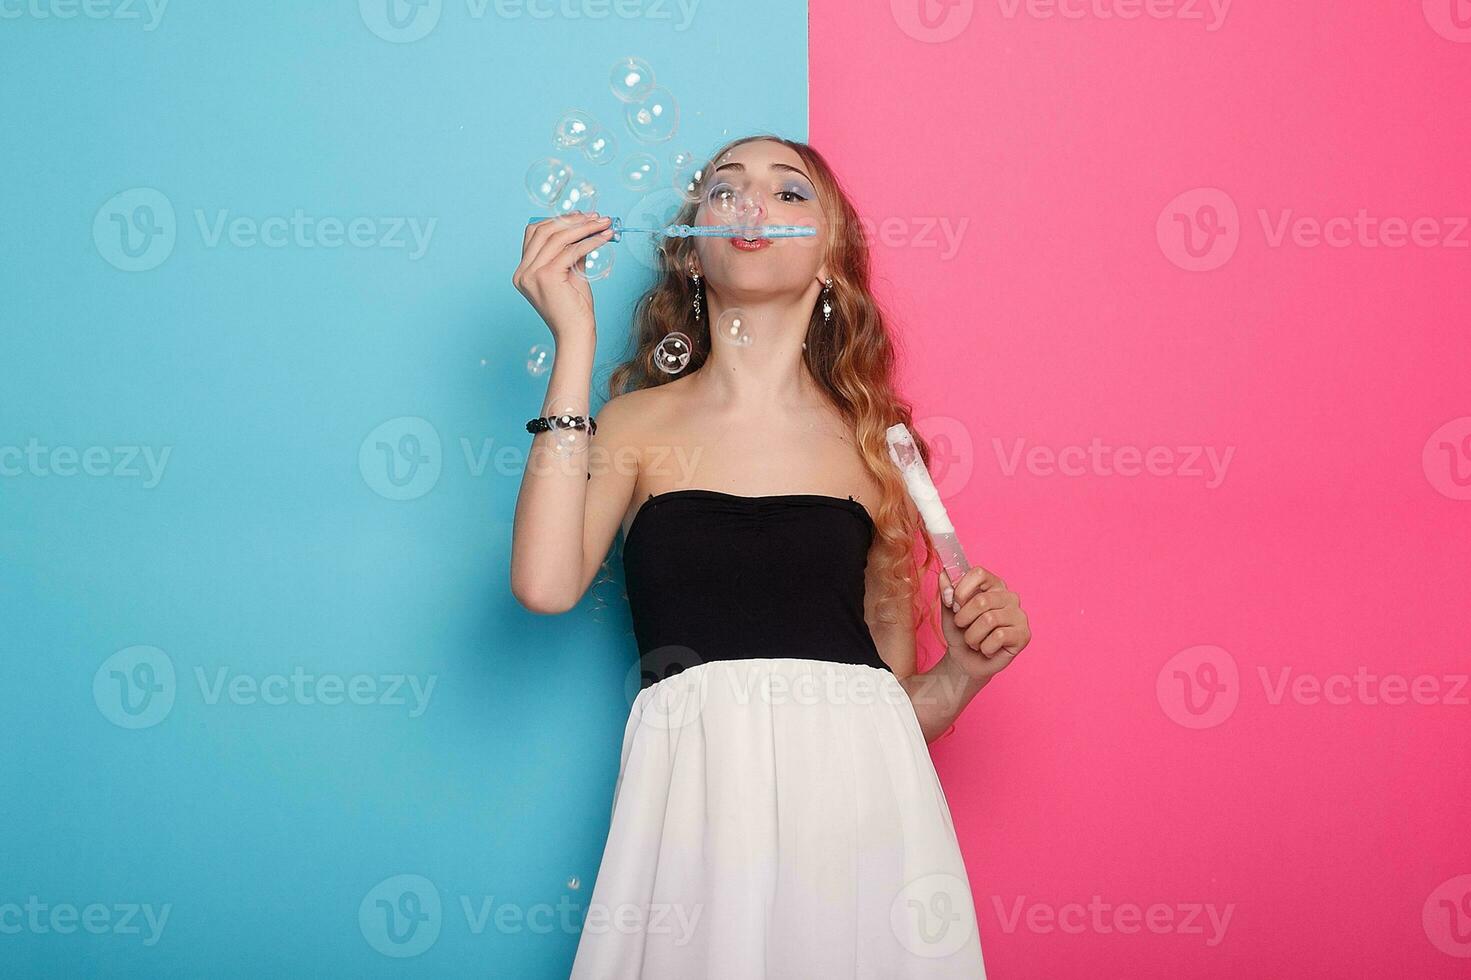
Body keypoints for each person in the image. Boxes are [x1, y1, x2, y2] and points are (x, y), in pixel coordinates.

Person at [511, 134, 1031, 979]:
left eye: (789, 194)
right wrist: (573, 341)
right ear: (692, 254)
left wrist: (965, 672)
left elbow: (893, 708)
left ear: (832, 258)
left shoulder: (879, 452)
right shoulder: (638, 427)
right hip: (699, 809)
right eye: (726, 189)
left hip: (863, 823)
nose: (753, 206)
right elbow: (543, 583)